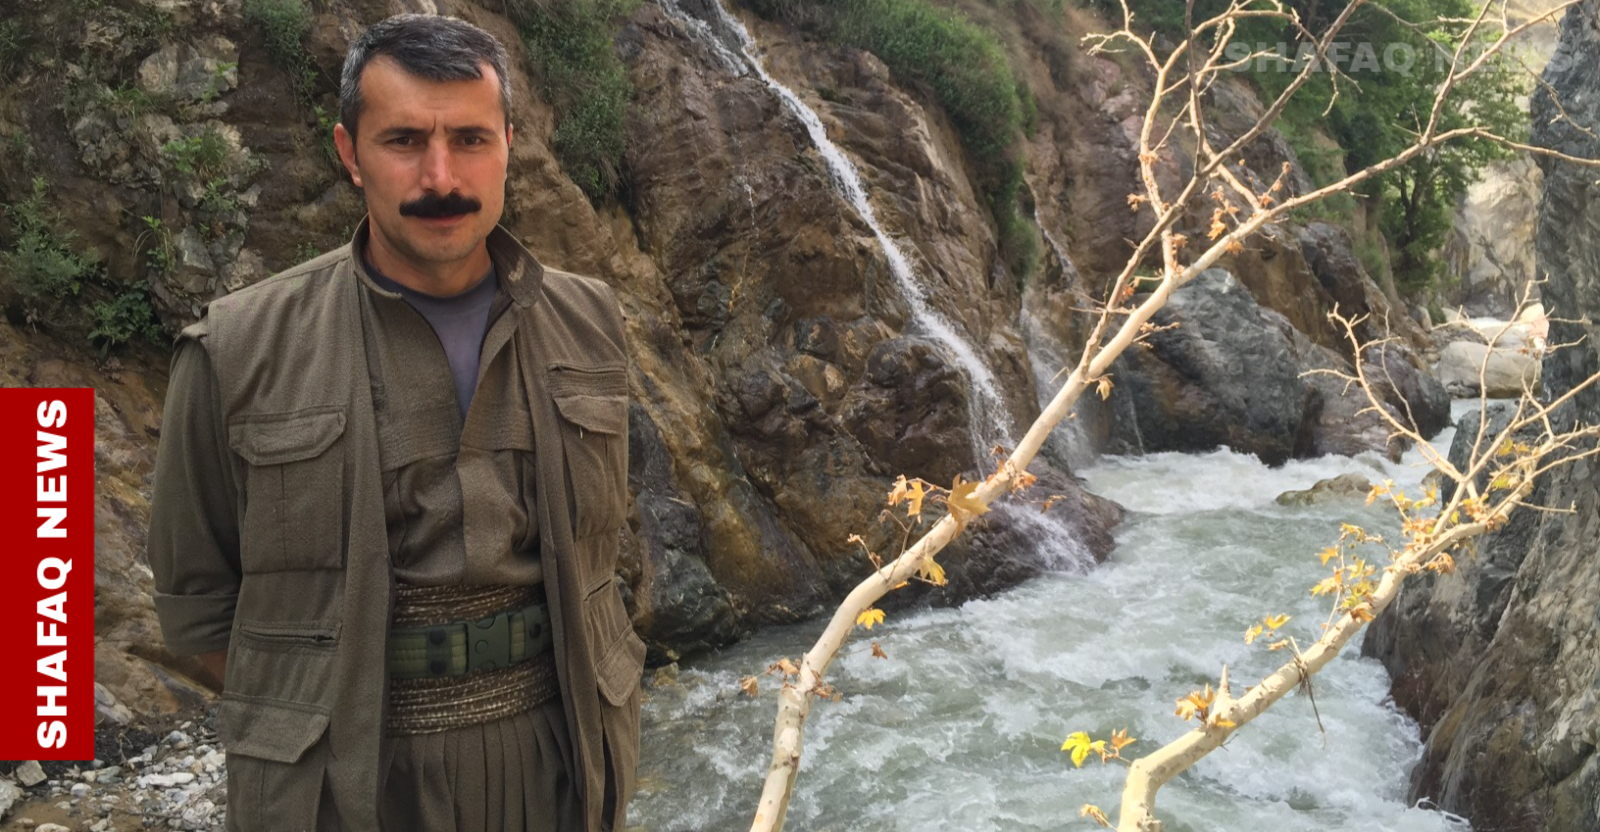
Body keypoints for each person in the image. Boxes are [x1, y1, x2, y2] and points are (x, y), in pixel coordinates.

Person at [145, 14, 642, 832]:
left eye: (471, 140)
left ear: (509, 144)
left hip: (561, 768)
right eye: (404, 140)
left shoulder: (590, 323)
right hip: (342, 790)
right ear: (349, 153)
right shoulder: (236, 349)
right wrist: (315, 710)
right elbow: (199, 613)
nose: (441, 177)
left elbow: (605, 555)